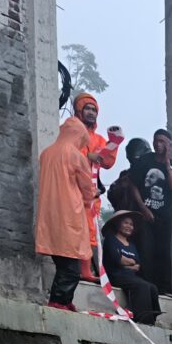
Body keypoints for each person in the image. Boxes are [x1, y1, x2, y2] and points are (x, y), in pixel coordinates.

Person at [35, 118, 96, 311]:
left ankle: (64, 299)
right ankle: (58, 302)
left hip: (49, 213)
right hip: (69, 212)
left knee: (62, 261)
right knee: (71, 267)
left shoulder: (46, 153)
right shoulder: (76, 156)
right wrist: (93, 195)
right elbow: (87, 189)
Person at [71, 94, 122, 278]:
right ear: (79, 110)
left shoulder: (99, 139)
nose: (91, 113)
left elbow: (106, 162)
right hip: (73, 188)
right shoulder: (71, 131)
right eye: (87, 109)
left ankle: (87, 270)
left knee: (90, 230)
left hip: (92, 193)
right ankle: (76, 270)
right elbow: (69, 156)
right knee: (75, 229)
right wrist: (87, 156)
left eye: (94, 110)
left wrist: (114, 142)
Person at [129, 128, 172, 295]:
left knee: (164, 252)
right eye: (156, 141)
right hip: (144, 214)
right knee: (146, 250)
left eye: (162, 142)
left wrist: (167, 164)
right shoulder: (145, 161)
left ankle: (164, 288)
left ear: (169, 145)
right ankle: (147, 286)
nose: (158, 145)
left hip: (164, 217)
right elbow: (133, 185)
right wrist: (143, 208)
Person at [101, 210, 161, 324]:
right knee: (142, 286)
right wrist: (127, 263)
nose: (129, 226)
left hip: (130, 277)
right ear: (118, 224)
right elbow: (117, 259)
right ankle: (142, 319)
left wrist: (124, 262)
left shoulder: (132, 245)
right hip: (114, 275)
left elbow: (137, 265)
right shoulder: (111, 239)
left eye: (131, 224)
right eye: (126, 223)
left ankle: (152, 318)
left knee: (152, 287)